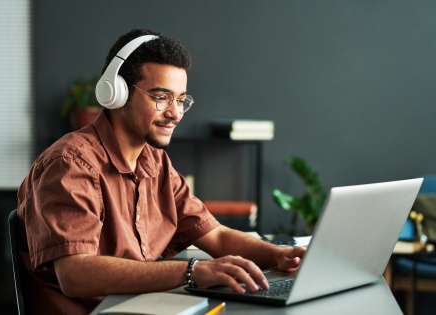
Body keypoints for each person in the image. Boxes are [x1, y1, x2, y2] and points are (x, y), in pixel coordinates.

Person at [17, 29, 306, 314]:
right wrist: (192, 271)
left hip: (144, 306)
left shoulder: (156, 162)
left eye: (181, 100)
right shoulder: (70, 163)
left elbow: (214, 236)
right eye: (161, 97)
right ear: (116, 93)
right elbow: (75, 273)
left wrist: (280, 256)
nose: (175, 113)